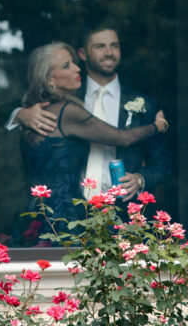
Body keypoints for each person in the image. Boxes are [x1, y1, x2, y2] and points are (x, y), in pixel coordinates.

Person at [19, 41, 168, 240]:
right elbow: (122, 138)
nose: (77, 68)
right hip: (65, 214)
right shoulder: (66, 112)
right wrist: (158, 126)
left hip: (38, 211)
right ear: (49, 80)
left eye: (73, 62)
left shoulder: (33, 113)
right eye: (66, 65)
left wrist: (19, 113)